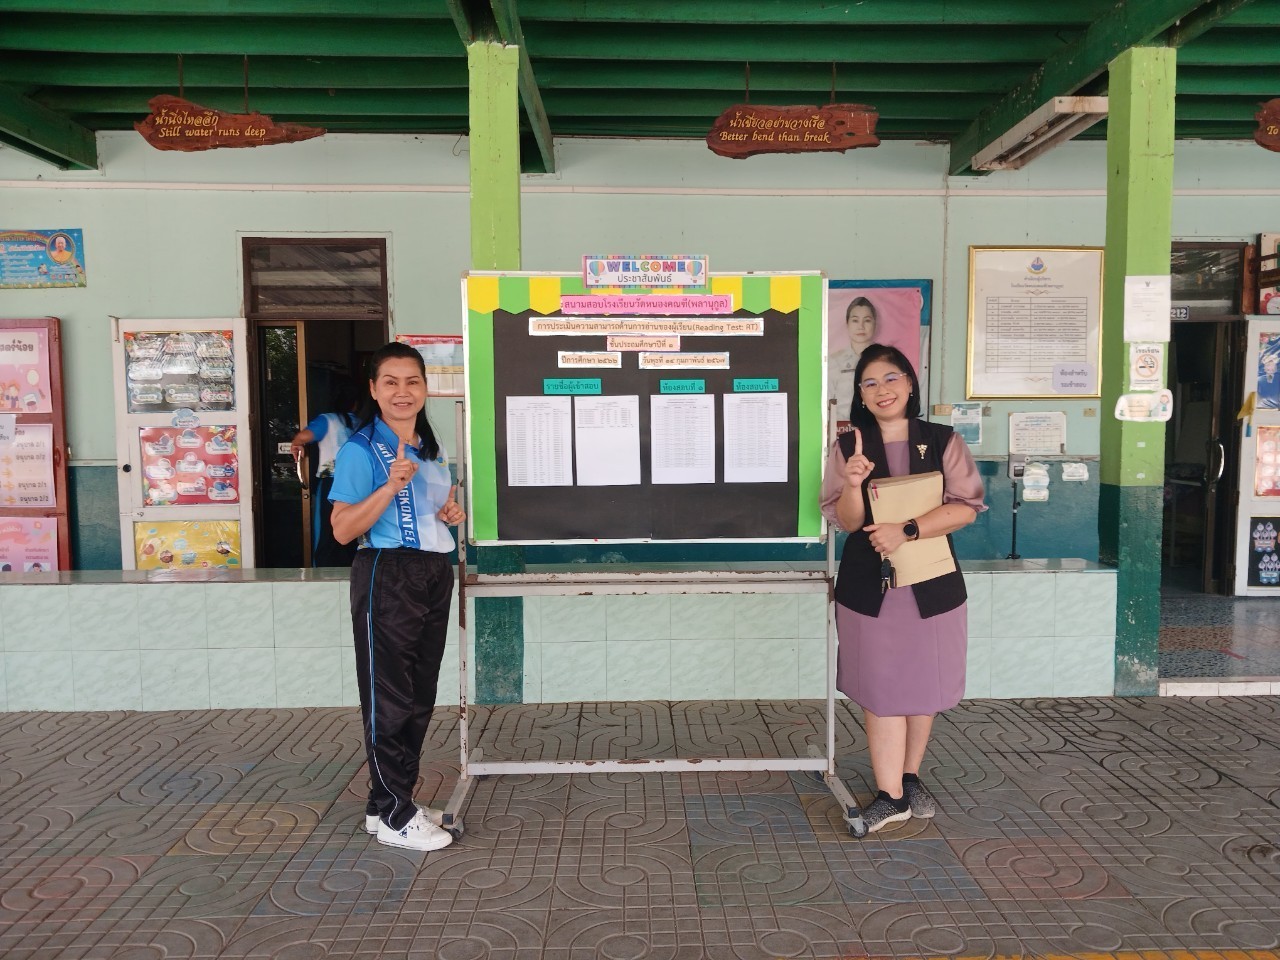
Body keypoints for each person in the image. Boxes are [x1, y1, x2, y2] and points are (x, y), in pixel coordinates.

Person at [819, 343, 986, 833]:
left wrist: (907, 530)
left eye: (890, 378)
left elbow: (966, 507)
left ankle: (908, 778)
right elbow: (848, 521)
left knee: (923, 684)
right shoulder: (849, 447)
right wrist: (853, 484)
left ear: (910, 383)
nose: (881, 390)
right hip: (870, 588)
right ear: (860, 395)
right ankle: (890, 796)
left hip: (932, 582)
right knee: (883, 689)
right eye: (869, 383)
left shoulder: (942, 440)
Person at [329, 342, 465, 853]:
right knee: (388, 697)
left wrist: (450, 515)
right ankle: (395, 814)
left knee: (418, 696)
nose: (402, 392)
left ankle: (386, 802)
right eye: (390, 382)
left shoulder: (430, 447)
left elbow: (433, 511)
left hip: (432, 570)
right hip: (387, 573)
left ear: (425, 387)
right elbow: (343, 529)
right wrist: (388, 488)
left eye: (412, 382)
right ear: (373, 389)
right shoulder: (360, 449)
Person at [291, 383, 360, 566]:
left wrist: (296, 444)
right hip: (358, 484)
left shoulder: (327, 420)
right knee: (353, 531)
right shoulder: (361, 423)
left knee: (326, 532)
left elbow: (303, 437)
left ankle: (323, 572)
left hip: (332, 483)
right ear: (355, 404)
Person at [830, 297, 879, 422]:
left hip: (877, 426)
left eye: (867, 320)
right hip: (842, 427)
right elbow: (826, 403)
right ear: (847, 324)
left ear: (875, 324)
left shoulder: (885, 359)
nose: (861, 327)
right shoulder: (834, 361)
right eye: (855, 320)